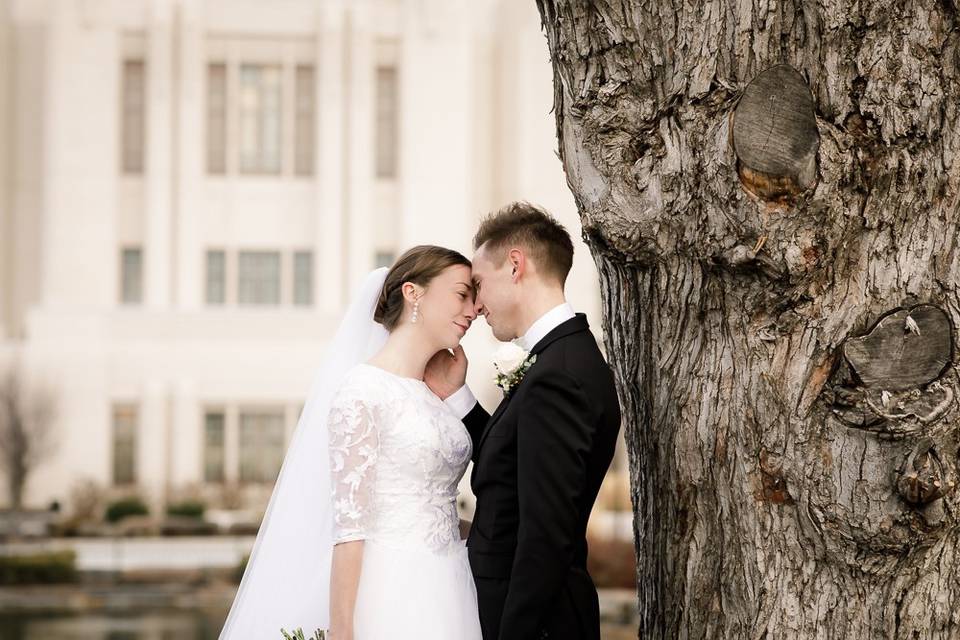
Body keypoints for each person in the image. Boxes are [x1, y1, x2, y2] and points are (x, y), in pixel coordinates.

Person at [219, 245, 482, 640]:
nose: (474, 310)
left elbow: (429, 502)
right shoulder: (363, 390)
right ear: (414, 293)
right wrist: (342, 628)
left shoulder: (437, 393)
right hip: (389, 591)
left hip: (452, 582)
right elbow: (349, 528)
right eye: (462, 294)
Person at [425, 202, 622, 640]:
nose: (475, 305)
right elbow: (515, 465)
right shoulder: (558, 360)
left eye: (478, 285)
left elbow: (544, 537)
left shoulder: (559, 376)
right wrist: (459, 397)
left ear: (515, 266)